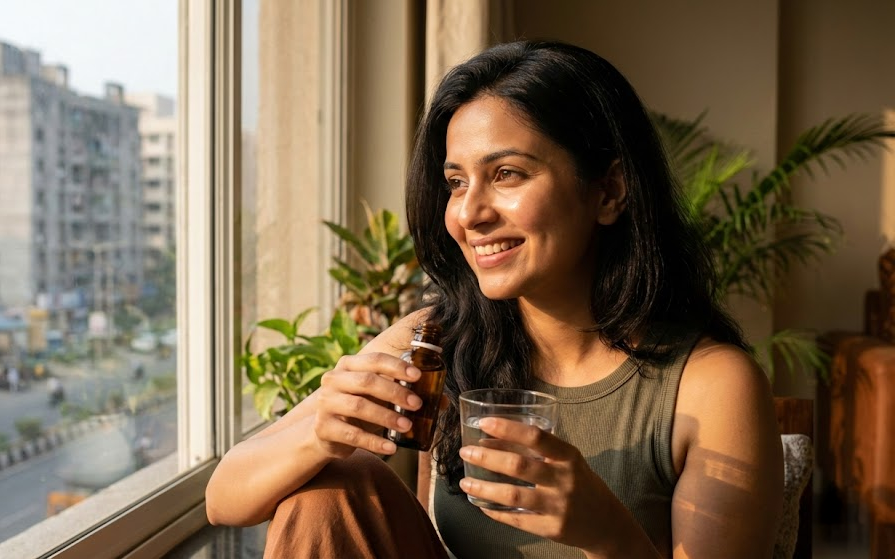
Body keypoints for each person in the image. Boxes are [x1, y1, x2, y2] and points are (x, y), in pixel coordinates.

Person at [205, 40, 784, 558]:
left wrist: (607, 533)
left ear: (608, 191)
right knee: (332, 491)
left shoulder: (712, 385)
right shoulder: (437, 341)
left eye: (506, 173)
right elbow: (224, 499)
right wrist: (317, 433)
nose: (469, 214)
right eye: (456, 182)